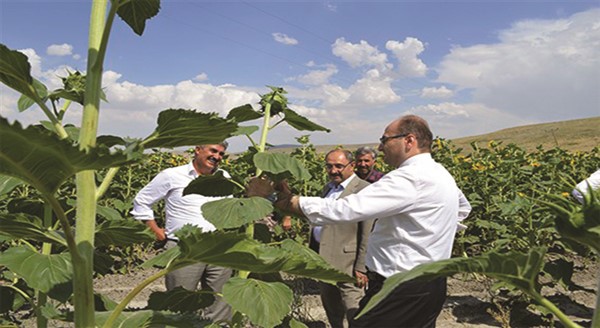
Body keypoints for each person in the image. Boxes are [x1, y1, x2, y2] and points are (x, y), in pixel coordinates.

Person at [247, 115, 471, 328]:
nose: (381, 147)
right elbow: (462, 209)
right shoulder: (439, 173)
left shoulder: (410, 178)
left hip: (400, 286)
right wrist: (431, 235)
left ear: (409, 140)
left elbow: (346, 209)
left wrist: (285, 201)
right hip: (431, 283)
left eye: (385, 140)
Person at [131, 143, 232, 322]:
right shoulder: (172, 175)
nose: (217, 157)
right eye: (213, 151)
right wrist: (157, 232)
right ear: (198, 149)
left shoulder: (223, 177)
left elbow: (230, 209)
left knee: (221, 302)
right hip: (183, 248)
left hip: (218, 248)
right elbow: (142, 201)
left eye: (221, 154)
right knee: (180, 304)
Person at [313, 149, 373, 328]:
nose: (333, 171)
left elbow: (367, 231)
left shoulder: (363, 189)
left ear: (352, 166)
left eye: (339, 166)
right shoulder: (328, 188)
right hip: (324, 260)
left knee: (354, 309)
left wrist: (361, 266)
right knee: (331, 308)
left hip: (348, 263)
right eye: (329, 166)